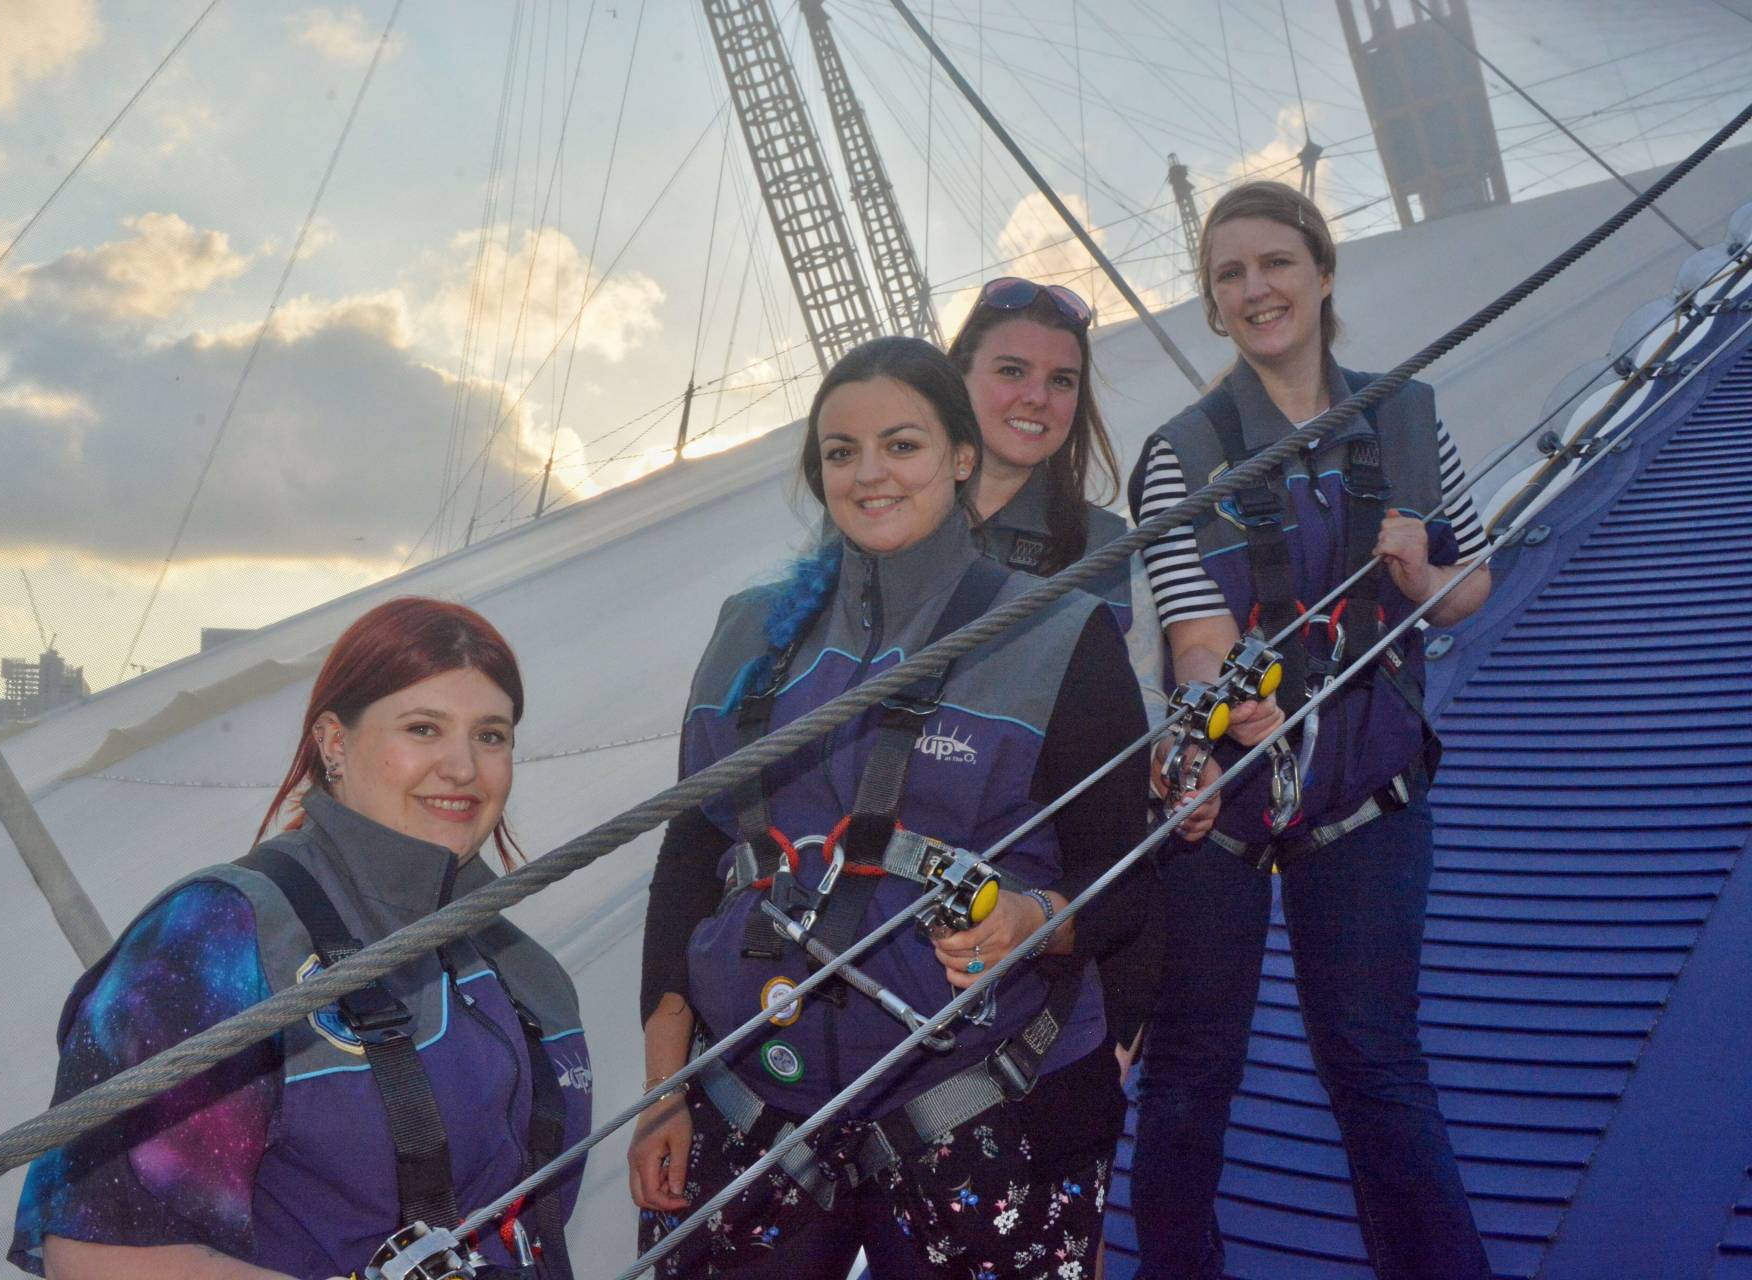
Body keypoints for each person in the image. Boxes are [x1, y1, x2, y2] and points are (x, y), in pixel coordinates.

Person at [631, 335, 1153, 1279]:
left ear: (961, 457)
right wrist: (664, 1093)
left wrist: (1035, 922)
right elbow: (689, 858)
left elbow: (1127, 878)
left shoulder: (1056, 633)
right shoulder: (747, 636)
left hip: (985, 1112)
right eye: (841, 452)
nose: (869, 474)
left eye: (901, 446)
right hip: (752, 1112)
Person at [1125, 181, 1492, 1280]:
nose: (1256, 289)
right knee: (1192, 1069)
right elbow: (1196, 635)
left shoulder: (1407, 413)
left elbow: (1471, 580)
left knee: (1376, 1061)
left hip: (1367, 783)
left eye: (1275, 262)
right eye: (1229, 274)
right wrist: (1225, 702)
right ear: (1211, 304)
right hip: (1226, 801)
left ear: (1323, 271)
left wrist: (1425, 573)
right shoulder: (1179, 456)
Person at [9, 598, 591, 1280]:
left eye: (490, 736)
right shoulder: (222, 938)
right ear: (334, 743)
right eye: (424, 728)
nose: (463, 768)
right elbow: (95, 1256)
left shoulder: (510, 957)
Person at [947, 278, 1205, 1192]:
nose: (1038, 398)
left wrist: (1177, 769)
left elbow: (1133, 727)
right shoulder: (884, 529)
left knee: (1058, 1212)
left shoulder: (1101, 543)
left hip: (1070, 928)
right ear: (957, 380)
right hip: (911, 927)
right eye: (1011, 370)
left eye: (1062, 381)